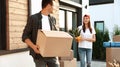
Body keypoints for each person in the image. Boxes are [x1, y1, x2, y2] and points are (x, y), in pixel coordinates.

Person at [22, 0, 59, 67]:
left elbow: (55, 35)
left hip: (51, 54)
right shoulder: (33, 18)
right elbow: (25, 36)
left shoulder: (53, 19)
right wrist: (33, 47)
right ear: (48, 6)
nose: (54, 8)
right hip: (39, 54)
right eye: (53, 6)